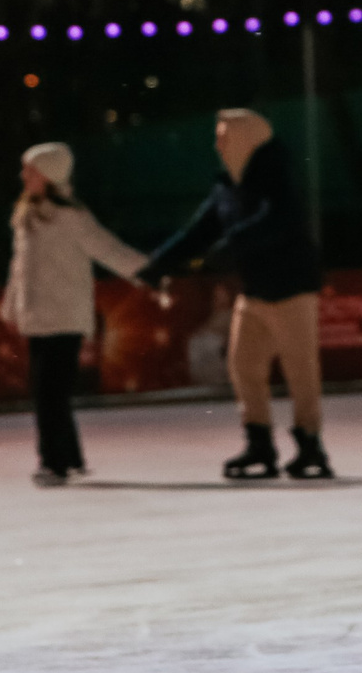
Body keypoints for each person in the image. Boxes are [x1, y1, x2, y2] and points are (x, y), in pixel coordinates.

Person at [137, 108, 331, 480]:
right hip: (255, 292)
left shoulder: (276, 180)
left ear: (247, 139)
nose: (217, 143)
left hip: (292, 290)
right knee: (244, 366)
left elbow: (278, 221)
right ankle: (259, 443)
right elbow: (200, 231)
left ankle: (310, 445)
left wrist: (231, 245)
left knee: (301, 371)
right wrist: (159, 263)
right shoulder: (228, 186)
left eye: (224, 135)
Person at [0, 142, 148, 487]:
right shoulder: (27, 216)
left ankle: (55, 462)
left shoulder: (71, 218)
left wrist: (147, 270)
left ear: (49, 175)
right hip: (37, 318)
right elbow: (18, 269)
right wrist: (11, 306)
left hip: (65, 318)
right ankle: (68, 458)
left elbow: (108, 249)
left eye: (30, 170)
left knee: (51, 392)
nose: (24, 176)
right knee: (46, 391)